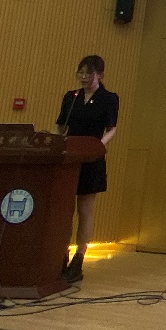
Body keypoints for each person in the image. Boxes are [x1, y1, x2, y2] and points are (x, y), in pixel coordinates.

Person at [55, 55, 118, 284]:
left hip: (92, 158)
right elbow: (61, 125)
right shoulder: (71, 97)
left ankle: (79, 258)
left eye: (88, 73)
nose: (83, 77)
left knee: (85, 209)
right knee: (64, 209)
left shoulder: (109, 98)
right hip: (69, 158)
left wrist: (98, 146)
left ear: (100, 75)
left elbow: (111, 128)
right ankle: (60, 255)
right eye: (80, 73)